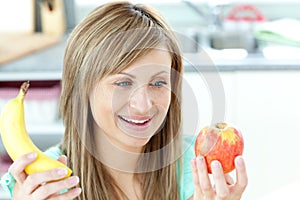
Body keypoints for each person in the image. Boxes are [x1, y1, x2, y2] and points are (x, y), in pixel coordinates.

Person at [0, 1, 248, 199]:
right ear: (81, 89)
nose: (143, 105)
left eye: (158, 83)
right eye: (123, 83)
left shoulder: (197, 168)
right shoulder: (32, 187)